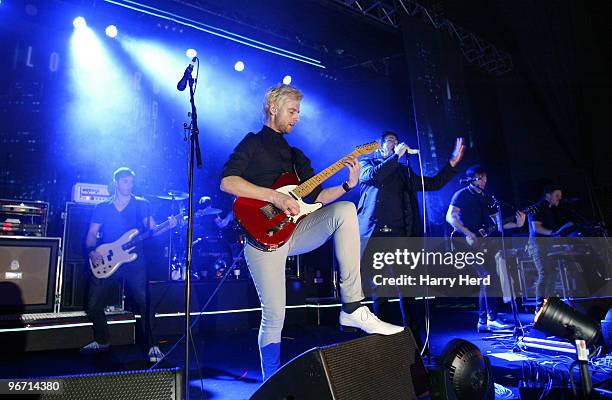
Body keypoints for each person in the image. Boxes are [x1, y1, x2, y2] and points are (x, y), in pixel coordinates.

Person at [220, 83, 403, 381]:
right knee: (275, 316)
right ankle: (271, 382)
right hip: (262, 239)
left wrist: (347, 186)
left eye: (299, 112)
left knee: (344, 210)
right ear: (273, 109)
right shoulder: (252, 143)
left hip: (295, 231)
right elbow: (228, 182)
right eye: (292, 111)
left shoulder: (296, 155)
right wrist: (275, 197)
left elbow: (317, 197)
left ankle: (353, 307)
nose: (296, 117)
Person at [357, 131, 464, 345]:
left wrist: (452, 163)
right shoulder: (367, 162)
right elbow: (374, 177)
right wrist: (395, 157)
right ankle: (384, 341)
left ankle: (413, 340)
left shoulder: (403, 171)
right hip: (376, 235)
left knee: (407, 290)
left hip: (401, 237)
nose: (395, 144)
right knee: (381, 292)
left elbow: (431, 184)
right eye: (390, 141)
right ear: (380, 146)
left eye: (396, 141)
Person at [82, 167, 177, 362]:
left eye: (131, 181)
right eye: (125, 181)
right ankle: (102, 340)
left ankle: (152, 345)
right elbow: (92, 234)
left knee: (144, 302)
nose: (129, 184)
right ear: (115, 183)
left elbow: (152, 230)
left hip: (134, 261)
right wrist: (92, 252)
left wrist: (168, 226)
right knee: (92, 304)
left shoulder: (141, 204)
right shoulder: (102, 207)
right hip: (107, 258)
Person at [446, 164, 525, 332]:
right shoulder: (461, 195)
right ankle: (490, 318)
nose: (484, 181)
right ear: (472, 178)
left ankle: (485, 320)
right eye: (480, 177)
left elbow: (497, 225)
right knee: (488, 277)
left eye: (485, 178)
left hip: (484, 244)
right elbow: (450, 217)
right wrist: (468, 233)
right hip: (464, 243)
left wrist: (517, 224)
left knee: (489, 278)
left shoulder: (489, 198)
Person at [527, 185, 565, 312]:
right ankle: (539, 306)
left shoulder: (549, 209)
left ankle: (548, 303)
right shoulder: (537, 207)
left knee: (552, 274)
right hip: (537, 246)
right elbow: (536, 228)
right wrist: (553, 233)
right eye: (557, 195)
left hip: (547, 246)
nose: (560, 198)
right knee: (544, 274)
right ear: (548, 195)